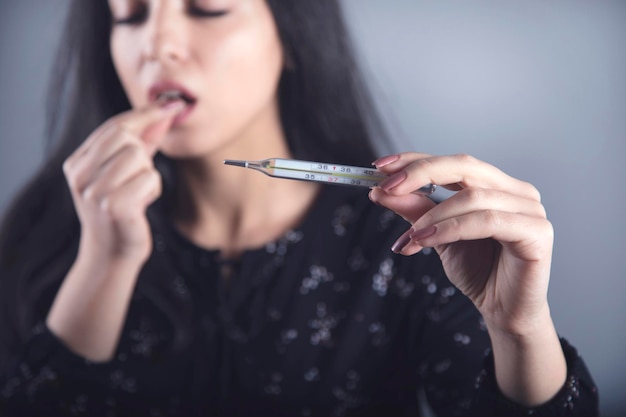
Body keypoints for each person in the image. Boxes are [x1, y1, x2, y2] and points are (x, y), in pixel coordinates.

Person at [0, 0, 599, 416]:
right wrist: (105, 258)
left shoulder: (414, 242)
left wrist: (518, 328)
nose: (156, 44)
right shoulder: (46, 234)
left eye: (207, 8)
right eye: (128, 14)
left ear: (292, 33)